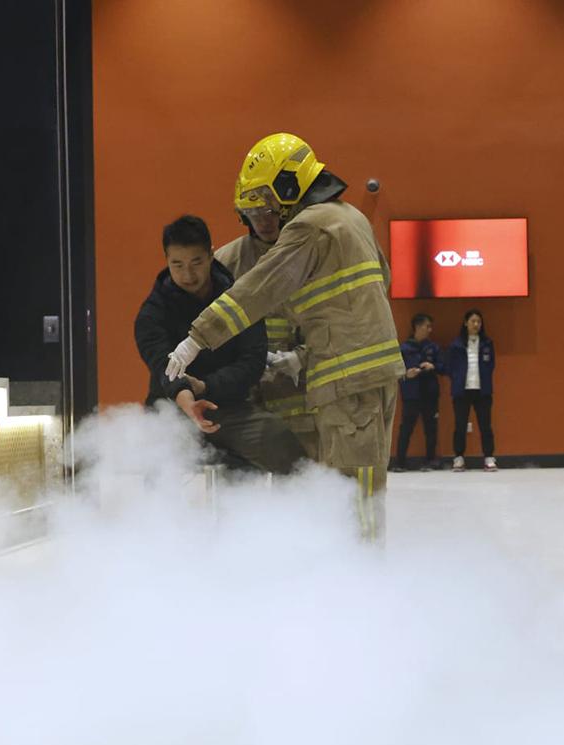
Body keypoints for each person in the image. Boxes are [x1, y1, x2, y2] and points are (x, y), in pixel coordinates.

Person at [164, 133, 404, 540]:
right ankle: (352, 572)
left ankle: (359, 582)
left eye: (270, 204)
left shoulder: (310, 226)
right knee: (359, 488)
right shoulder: (352, 219)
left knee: (349, 494)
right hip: (365, 379)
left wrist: (196, 338)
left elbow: (259, 290)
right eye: (254, 210)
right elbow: (377, 285)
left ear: (290, 187)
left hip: (344, 382)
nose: (266, 217)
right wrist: (310, 353)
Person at [134, 215, 306, 475]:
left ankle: (292, 511)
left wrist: (206, 387)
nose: (188, 274)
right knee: (157, 457)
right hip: (173, 407)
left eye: (196, 262)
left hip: (229, 406)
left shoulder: (239, 301)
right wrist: (188, 401)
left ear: (211, 255)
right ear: (166, 261)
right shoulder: (152, 313)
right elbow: (163, 366)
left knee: (280, 441)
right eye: (177, 265)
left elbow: (252, 362)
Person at [214, 183, 320, 462]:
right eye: (253, 213)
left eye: (270, 211)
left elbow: (330, 320)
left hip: (301, 397)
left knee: (305, 479)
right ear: (242, 216)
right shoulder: (226, 261)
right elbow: (213, 325)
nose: (263, 221)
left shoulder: (309, 253)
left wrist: (301, 357)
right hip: (247, 401)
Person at [447, 309, 497, 472]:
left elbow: (491, 365)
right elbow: (450, 366)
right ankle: (459, 458)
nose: (476, 325)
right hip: (462, 391)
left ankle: (489, 457)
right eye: (473, 321)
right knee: (460, 425)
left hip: (482, 391)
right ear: (465, 323)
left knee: (485, 425)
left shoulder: (487, 343)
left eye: (479, 322)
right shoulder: (456, 345)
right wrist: (457, 378)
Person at [393, 313, 443, 471]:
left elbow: (443, 367)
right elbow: (395, 371)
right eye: (427, 326)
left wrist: (432, 366)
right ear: (418, 327)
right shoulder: (404, 348)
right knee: (406, 428)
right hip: (411, 394)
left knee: (431, 428)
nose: (430, 329)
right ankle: (400, 462)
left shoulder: (433, 347)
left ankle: (430, 460)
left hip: (430, 393)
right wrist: (406, 374)